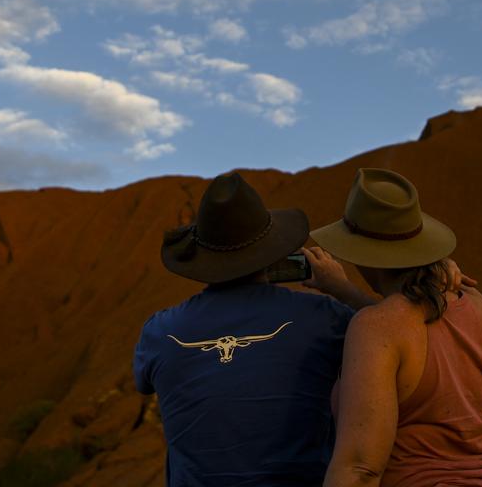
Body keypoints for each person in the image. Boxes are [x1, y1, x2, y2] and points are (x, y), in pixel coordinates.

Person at [133, 171, 374, 487]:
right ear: (271, 250)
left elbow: (144, 384)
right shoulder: (324, 316)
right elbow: (397, 334)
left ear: (204, 256)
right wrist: (342, 288)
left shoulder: (159, 332)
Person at [308, 168, 482, 487]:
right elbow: (414, 330)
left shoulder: (376, 327)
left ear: (363, 255)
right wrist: (343, 289)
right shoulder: (479, 307)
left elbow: (360, 468)